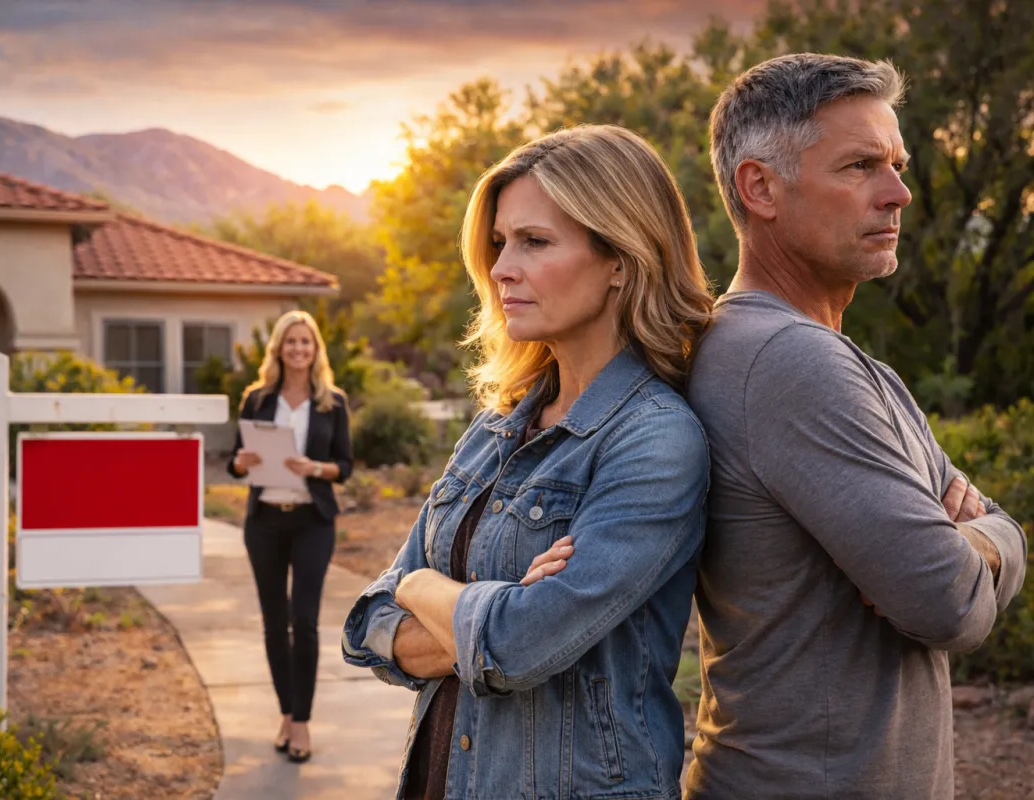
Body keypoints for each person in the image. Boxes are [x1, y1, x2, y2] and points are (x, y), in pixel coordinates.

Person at [684, 53, 1028, 799]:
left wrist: (983, 542)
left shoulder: (818, 356)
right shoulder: (788, 363)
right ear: (760, 187)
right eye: (860, 166)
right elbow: (951, 604)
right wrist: (981, 548)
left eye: (897, 164)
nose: (899, 193)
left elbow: (985, 543)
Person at [342, 124, 714, 799]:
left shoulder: (656, 440)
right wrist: (488, 610)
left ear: (621, 261)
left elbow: (518, 648)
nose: (501, 268)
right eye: (499, 244)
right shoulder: (495, 428)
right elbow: (365, 624)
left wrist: (420, 590)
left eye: (534, 242)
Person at [227, 309, 353, 764]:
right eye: (290, 341)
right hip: (264, 522)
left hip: (312, 522)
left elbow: (346, 465)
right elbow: (235, 461)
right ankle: (285, 711)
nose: (298, 349)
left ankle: (302, 720)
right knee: (273, 624)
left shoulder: (332, 402)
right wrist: (242, 462)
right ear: (278, 348)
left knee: (304, 620)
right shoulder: (257, 399)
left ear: (315, 349)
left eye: (306, 342)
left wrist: (314, 468)